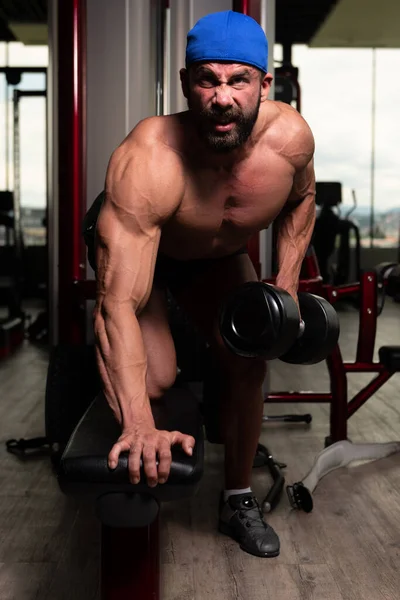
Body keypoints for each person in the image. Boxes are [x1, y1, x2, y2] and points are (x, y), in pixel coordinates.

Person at [85, 10, 316, 558]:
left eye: (238, 81)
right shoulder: (150, 160)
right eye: (208, 80)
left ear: (265, 85)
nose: (222, 97)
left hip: (218, 258)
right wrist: (139, 425)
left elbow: (302, 200)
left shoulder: (291, 143)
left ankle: (238, 497)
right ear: (187, 85)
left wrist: (284, 285)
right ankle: (131, 408)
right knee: (156, 379)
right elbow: (115, 303)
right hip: (147, 254)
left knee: (250, 353)